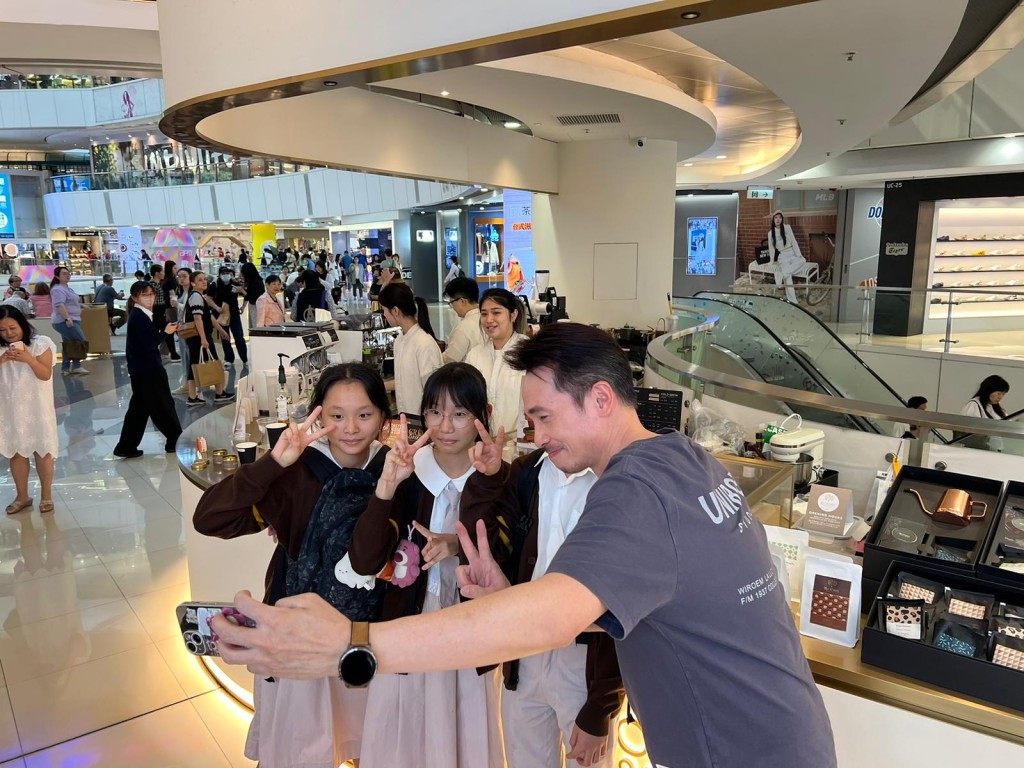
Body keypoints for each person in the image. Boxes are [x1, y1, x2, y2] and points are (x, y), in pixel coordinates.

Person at [210, 322, 838, 768]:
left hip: (737, 752)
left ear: (599, 399)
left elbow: (550, 620)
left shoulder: (636, 489)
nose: (534, 436)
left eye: (543, 417)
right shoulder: (685, 460)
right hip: (769, 738)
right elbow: (629, 606)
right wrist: (513, 594)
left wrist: (353, 644)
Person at [194, 363, 394, 768]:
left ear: (382, 417)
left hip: (371, 635)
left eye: (364, 414)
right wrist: (273, 462)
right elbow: (209, 519)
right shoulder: (297, 470)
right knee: (301, 748)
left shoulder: (395, 467)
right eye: (336, 415)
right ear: (319, 415)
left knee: (372, 744)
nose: (350, 428)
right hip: (297, 634)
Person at [348, 363, 506, 768]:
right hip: (409, 624)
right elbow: (365, 559)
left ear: (483, 415)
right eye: (435, 412)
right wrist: (387, 486)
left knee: (463, 725)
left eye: (460, 413)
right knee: (403, 730)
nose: (446, 426)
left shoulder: (497, 477)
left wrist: (456, 544)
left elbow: (509, 554)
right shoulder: (407, 470)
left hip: (471, 631)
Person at [496, 445, 623, 768]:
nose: (539, 434)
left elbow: (627, 605)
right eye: (534, 420)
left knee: (590, 761)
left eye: (547, 419)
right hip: (525, 650)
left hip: (585, 659)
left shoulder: (618, 480)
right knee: (524, 758)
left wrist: (603, 703)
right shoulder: (527, 471)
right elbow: (496, 549)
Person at [112, 281, 182, 458]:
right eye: (144, 295)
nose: (149, 298)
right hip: (148, 370)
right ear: (135, 297)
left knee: (139, 409)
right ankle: (175, 439)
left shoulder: (141, 315)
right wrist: (166, 332)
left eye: (151, 294)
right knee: (162, 405)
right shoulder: (139, 317)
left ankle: (126, 446)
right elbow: (149, 343)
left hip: (142, 369)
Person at [0, 306, 58, 516]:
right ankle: (22, 496)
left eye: (12, 327)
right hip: (10, 409)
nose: (9, 333)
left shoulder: (40, 344)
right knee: (16, 452)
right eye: (2, 330)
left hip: (37, 407)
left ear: (22, 325)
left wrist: (28, 359)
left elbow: (45, 374)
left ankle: (46, 496)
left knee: (42, 450)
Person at [465, 288, 528, 450]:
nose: (489, 319)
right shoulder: (475, 355)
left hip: (519, 448)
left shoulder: (529, 352)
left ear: (513, 315)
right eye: (484, 314)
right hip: (482, 446)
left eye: (496, 312)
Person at [379, 283, 442, 416]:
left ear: (395, 311)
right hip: (406, 417)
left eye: (384, 310)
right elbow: (403, 380)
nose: (384, 314)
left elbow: (435, 391)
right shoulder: (400, 340)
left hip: (423, 419)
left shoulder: (424, 343)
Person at [184, 271, 234, 407]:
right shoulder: (196, 296)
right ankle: (219, 393)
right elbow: (197, 319)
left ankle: (193, 396)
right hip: (199, 337)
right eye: (200, 280)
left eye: (205, 279)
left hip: (197, 337)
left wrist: (221, 330)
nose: (204, 282)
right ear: (193, 283)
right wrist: (203, 338)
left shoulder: (199, 296)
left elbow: (208, 317)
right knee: (213, 362)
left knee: (194, 365)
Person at [50, 266, 88, 376]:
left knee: (69, 343)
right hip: (64, 321)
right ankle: (76, 366)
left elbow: (69, 302)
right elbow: (59, 305)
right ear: (57, 276)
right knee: (80, 341)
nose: (67, 275)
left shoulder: (67, 288)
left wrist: (81, 305)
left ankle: (65, 367)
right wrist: (67, 318)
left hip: (73, 319)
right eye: (64, 274)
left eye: (68, 273)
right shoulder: (58, 289)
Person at [208, 266, 248, 366]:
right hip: (221, 315)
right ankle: (229, 359)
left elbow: (247, 295)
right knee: (225, 337)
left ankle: (244, 358)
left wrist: (243, 306)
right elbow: (208, 298)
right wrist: (216, 307)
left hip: (234, 314)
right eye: (223, 273)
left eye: (227, 273)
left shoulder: (235, 284)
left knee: (239, 336)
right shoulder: (215, 285)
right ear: (219, 275)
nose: (226, 275)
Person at [959, 375, 1010, 451]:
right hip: (977, 450)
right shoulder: (973, 405)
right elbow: (971, 431)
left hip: (994, 450)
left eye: (1003, 394)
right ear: (988, 390)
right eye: (998, 393)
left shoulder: (996, 408)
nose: (1000, 397)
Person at [441, 277, 486, 364]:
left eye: (451, 303)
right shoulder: (487, 319)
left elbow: (450, 359)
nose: (452, 307)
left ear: (462, 301)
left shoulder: (463, 327)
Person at [767, 211, 804, 303]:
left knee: (803, 260)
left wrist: (798, 254)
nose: (778, 219)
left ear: (782, 219)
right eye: (776, 217)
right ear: (773, 219)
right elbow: (771, 248)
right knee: (788, 277)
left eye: (780, 217)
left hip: (792, 253)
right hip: (783, 255)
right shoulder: (770, 233)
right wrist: (771, 261)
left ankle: (781, 275)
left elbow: (794, 241)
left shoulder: (787, 227)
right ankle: (793, 301)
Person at [240, 261, 266, 330]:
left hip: (257, 307)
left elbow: (252, 298)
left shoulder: (257, 283)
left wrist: (242, 290)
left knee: (256, 327)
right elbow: (248, 295)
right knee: (253, 326)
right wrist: (243, 306)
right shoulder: (253, 281)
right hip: (253, 307)